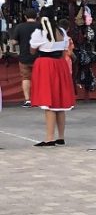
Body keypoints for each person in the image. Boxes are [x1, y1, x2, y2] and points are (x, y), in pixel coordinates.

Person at [28, 10, 75, 146]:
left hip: (46, 64)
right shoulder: (61, 31)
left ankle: (49, 138)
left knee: (49, 102)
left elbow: (32, 49)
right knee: (59, 104)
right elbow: (66, 47)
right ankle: (61, 137)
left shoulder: (40, 32)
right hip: (60, 64)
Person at [9, 9, 39, 108]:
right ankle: (40, 99)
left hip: (24, 57)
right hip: (39, 57)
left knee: (26, 78)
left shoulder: (19, 27)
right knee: (40, 78)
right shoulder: (41, 26)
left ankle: (28, 100)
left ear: (25, 17)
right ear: (36, 16)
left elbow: (13, 42)